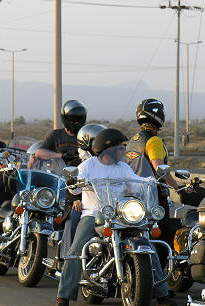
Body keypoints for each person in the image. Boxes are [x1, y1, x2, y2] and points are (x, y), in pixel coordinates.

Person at [56, 128, 176, 306]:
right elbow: (75, 188)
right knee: (76, 250)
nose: (124, 151)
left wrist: (151, 181)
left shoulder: (123, 167)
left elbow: (136, 183)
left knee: (147, 244)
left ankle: (162, 295)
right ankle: (63, 296)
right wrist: (74, 181)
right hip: (94, 214)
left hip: (121, 214)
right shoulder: (88, 166)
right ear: (109, 148)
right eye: (121, 147)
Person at [126, 99, 179, 271]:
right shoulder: (153, 140)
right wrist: (175, 184)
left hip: (131, 196)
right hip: (153, 196)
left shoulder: (132, 140)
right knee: (162, 238)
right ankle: (160, 283)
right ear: (158, 115)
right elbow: (159, 168)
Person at [59, 123, 107, 259]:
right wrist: (76, 199)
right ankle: (68, 257)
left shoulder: (107, 163)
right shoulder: (75, 163)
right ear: (86, 143)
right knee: (74, 215)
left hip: (103, 205)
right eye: (96, 142)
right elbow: (70, 186)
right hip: (78, 204)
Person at [35, 100, 87, 166]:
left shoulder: (85, 136)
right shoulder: (55, 135)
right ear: (65, 118)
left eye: (79, 119)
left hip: (80, 174)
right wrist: (61, 156)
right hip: (58, 175)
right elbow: (39, 153)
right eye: (73, 119)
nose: (77, 123)